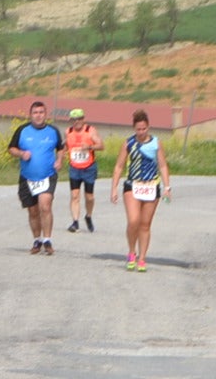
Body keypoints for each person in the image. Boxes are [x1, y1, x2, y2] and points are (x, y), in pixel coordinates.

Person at [111, 108, 172, 271]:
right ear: (134, 128)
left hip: (151, 186)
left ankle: (142, 258)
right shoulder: (129, 143)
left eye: (144, 129)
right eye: (138, 129)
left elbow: (163, 165)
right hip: (133, 185)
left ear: (148, 127)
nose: (141, 132)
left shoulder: (156, 143)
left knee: (145, 224)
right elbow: (119, 166)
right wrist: (114, 188)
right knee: (133, 220)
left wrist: (167, 187)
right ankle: (132, 252)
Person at [6, 100, 64, 254]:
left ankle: (47, 240)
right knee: (33, 211)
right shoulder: (22, 130)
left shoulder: (53, 131)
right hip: (27, 177)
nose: (38, 116)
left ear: (46, 114)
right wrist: (21, 154)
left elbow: (60, 148)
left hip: (48, 175)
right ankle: (37, 240)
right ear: (31, 115)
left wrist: (59, 160)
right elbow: (11, 148)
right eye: (35, 113)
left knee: (45, 206)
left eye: (41, 113)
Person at [63, 107, 102, 234]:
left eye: (79, 119)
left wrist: (90, 147)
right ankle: (75, 222)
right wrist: (61, 154)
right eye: (74, 119)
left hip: (89, 168)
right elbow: (66, 146)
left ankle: (88, 216)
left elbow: (101, 145)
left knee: (89, 197)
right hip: (74, 167)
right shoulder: (68, 131)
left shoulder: (90, 131)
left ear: (83, 119)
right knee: (75, 196)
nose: (76, 122)